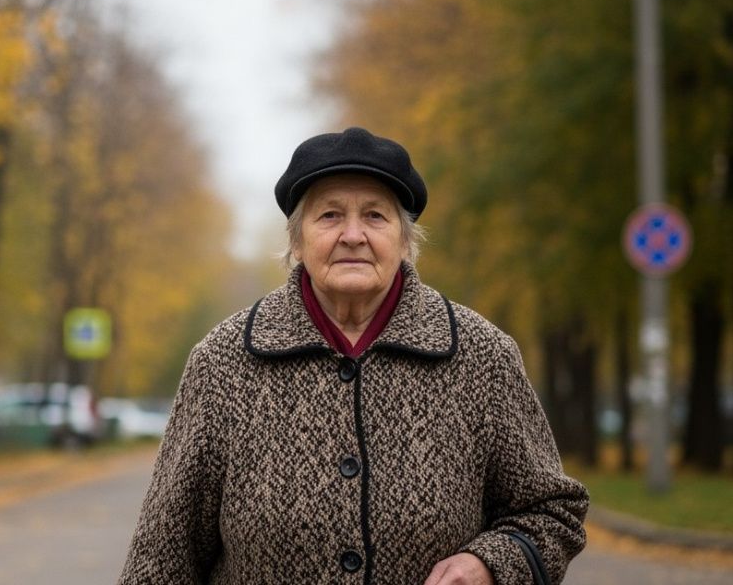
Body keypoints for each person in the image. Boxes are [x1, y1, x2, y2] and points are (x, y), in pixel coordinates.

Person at [118, 127, 588, 585]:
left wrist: (492, 563)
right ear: (297, 241)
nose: (353, 235)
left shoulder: (480, 355)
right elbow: (163, 555)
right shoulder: (223, 363)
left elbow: (551, 511)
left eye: (376, 216)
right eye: (329, 216)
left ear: (405, 241)